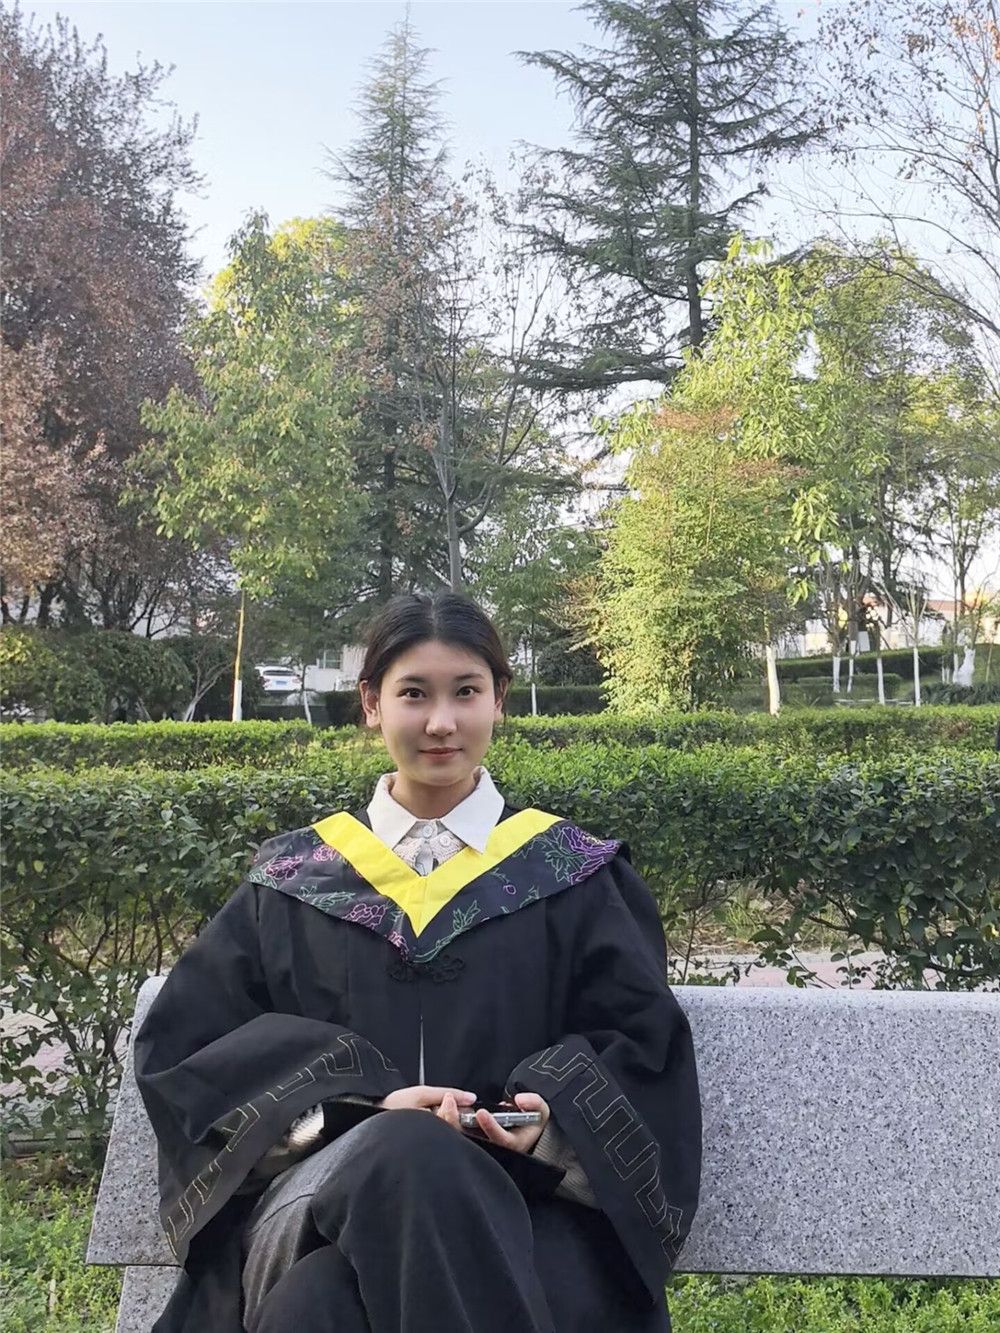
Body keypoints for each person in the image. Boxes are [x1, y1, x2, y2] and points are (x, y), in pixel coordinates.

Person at [135, 592, 702, 1333]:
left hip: (525, 1207)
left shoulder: (572, 875)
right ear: (372, 704)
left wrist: (551, 1125)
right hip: (318, 1202)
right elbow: (190, 1058)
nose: (441, 722)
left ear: (499, 699)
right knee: (408, 1148)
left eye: (465, 691)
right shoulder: (295, 880)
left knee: (319, 1304)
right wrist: (350, 1113)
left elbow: (643, 1046)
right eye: (413, 694)